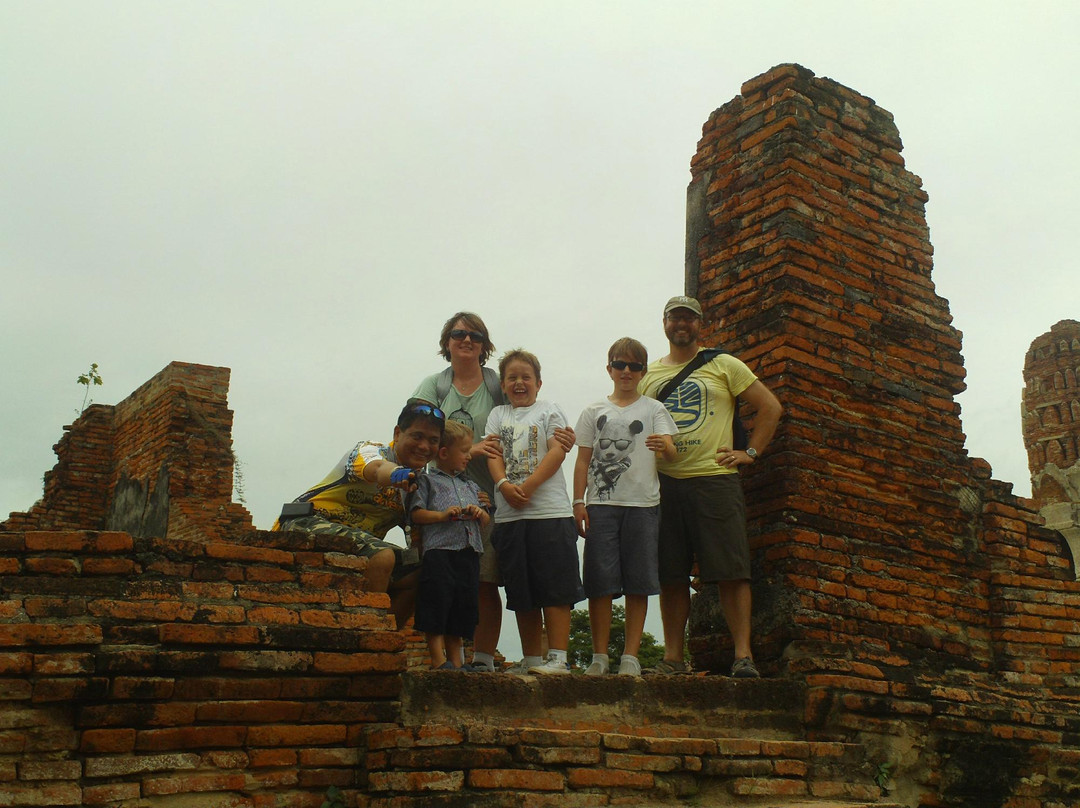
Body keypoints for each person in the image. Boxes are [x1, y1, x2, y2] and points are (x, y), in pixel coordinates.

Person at [412, 313, 574, 672]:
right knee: (453, 581)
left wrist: (563, 438)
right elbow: (416, 430)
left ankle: (485, 657)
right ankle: (453, 659)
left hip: (490, 499)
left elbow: (528, 414)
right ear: (447, 341)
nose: (466, 340)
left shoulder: (494, 386)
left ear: (484, 345)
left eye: (474, 335)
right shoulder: (435, 386)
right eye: (458, 334)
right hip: (446, 494)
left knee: (491, 580)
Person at [640, 296, 782, 678]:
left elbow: (770, 406)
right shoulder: (649, 376)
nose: (681, 324)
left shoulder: (723, 364)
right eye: (675, 317)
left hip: (715, 478)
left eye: (688, 318)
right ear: (664, 322)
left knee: (732, 570)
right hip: (665, 482)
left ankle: (743, 655)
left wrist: (750, 451)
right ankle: (673, 657)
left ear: (700, 324)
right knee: (671, 574)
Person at [273, 401, 446, 628]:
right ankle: (365, 637)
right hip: (305, 522)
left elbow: (417, 539)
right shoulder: (370, 450)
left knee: (423, 570)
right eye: (417, 436)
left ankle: (384, 638)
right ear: (398, 433)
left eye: (433, 440)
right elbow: (376, 469)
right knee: (383, 555)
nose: (424, 446)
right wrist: (397, 475)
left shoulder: (420, 486)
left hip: (357, 544)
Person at [572, 337, 678, 677]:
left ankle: (630, 656)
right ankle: (599, 655)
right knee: (599, 581)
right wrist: (578, 502)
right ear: (609, 369)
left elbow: (672, 451)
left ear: (644, 371)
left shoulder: (653, 409)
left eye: (634, 366)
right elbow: (582, 460)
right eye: (620, 364)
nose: (627, 371)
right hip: (601, 505)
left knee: (639, 580)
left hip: (643, 504)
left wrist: (664, 445)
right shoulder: (593, 412)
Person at [486, 349, 584, 675]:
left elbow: (559, 451)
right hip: (510, 516)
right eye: (512, 377)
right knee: (522, 590)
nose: (519, 383)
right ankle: (531, 661)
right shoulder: (498, 415)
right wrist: (502, 484)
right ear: (503, 384)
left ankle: (558, 658)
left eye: (526, 377)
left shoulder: (550, 411)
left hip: (549, 512)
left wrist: (527, 487)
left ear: (538, 383)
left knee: (555, 587)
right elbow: (492, 452)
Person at [409, 420, 490, 670]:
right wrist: (443, 516)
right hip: (440, 553)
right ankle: (438, 659)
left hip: (468, 552)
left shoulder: (471, 486)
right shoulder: (427, 482)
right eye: (464, 451)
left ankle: (456, 661)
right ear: (444, 453)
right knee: (437, 602)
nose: (469, 456)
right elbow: (416, 514)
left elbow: (486, 519)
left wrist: (479, 512)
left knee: (462, 605)